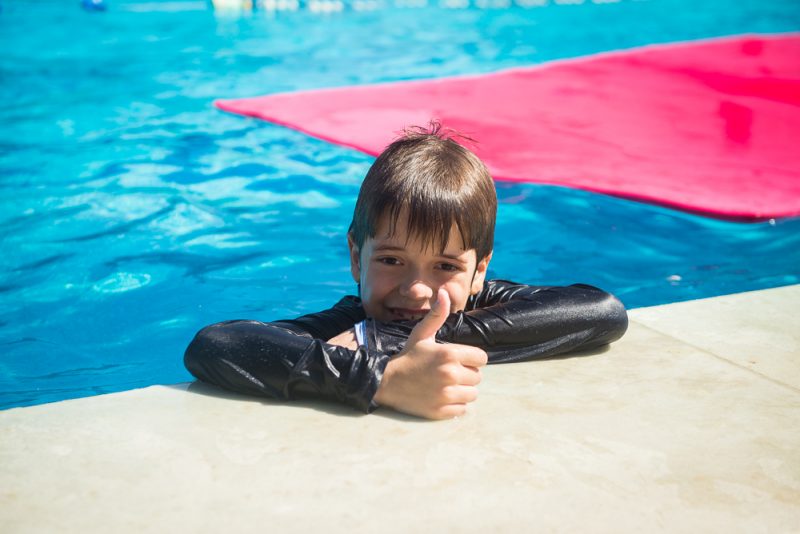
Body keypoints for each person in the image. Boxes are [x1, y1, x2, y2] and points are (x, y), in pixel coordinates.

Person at [184, 123, 628, 420]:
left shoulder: (480, 300)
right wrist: (378, 377)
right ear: (357, 257)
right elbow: (214, 345)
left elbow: (602, 311)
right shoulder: (350, 323)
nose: (416, 290)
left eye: (445, 266)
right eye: (391, 260)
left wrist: (390, 341)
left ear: (478, 271)